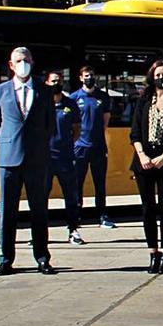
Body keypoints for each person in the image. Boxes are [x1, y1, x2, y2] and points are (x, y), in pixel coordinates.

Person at [0, 47, 57, 276]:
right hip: (9, 159)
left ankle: (42, 257)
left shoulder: (45, 92)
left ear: (32, 62)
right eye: (18, 60)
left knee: (39, 210)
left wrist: (36, 145)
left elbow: (51, 126)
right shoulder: (0, 91)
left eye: (26, 60)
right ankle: (6, 259)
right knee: (7, 212)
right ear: (11, 65)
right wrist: (10, 144)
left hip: (37, 159)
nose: (23, 64)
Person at [129, 60, 163, 274]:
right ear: (151, 77)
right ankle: (153, 253)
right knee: (147, 209)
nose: (161, 78)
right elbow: (134, 132)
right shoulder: (143, 100)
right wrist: (142, 154)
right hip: (143, 160)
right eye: (158, 75)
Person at [71, 65, 114, 229]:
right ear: (81, 78)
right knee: (77, 183)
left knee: (100, 183)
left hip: (98, 147)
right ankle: (76, 216)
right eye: (87, 75)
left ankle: (102, 215)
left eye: (92, 75)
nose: (90, 78)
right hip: (79, 148)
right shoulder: (74, 97)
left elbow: (105, 121)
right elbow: (73, 124)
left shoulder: (103, 97)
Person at [45, 71, 84, 246]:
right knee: (41, 197)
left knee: (71, 196)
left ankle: (73, 230)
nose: (56, 83)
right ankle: (39, 234)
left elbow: (76, 130)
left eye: (59, 81)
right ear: (47, 83)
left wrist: (66, 143)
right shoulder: (41, 104)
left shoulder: (70, 104)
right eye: (53, 81)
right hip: (45, 158)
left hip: (65, 157)